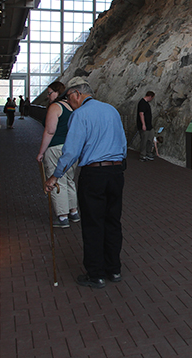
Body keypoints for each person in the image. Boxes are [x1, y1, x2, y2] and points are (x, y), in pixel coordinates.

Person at [45, 77, 127, 289]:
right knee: (113, 221)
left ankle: (96, 274)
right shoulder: (112, 110)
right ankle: (114, 269)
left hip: (94, 174)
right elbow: (123, 143)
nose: (70, 103)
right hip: (116, 172)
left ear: (76, 94)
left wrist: (55, 176)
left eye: (69, 98)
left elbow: (71, 150)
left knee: (93, 224)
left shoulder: (80, 114)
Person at [37, 81, 79, 228]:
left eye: (50, 93)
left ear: (57, 92)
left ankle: (62, 216)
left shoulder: (56, 107)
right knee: (69, 180)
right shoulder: (73, 107)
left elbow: (50, 131)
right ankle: (73, 211)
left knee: (56, 181)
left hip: (56, 148)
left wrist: (41, 152)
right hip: (72, 148)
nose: (48, 96)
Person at [136, 91, 155, 161]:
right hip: (144, 126)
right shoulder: (142, 103)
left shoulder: (146, 103)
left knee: (150, 139)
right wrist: (143, 124)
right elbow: (141, 114)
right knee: (144, 140)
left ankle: (148, 152)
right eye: (152, 98)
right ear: (150, 97)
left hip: (149, 126)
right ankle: (142, 154)